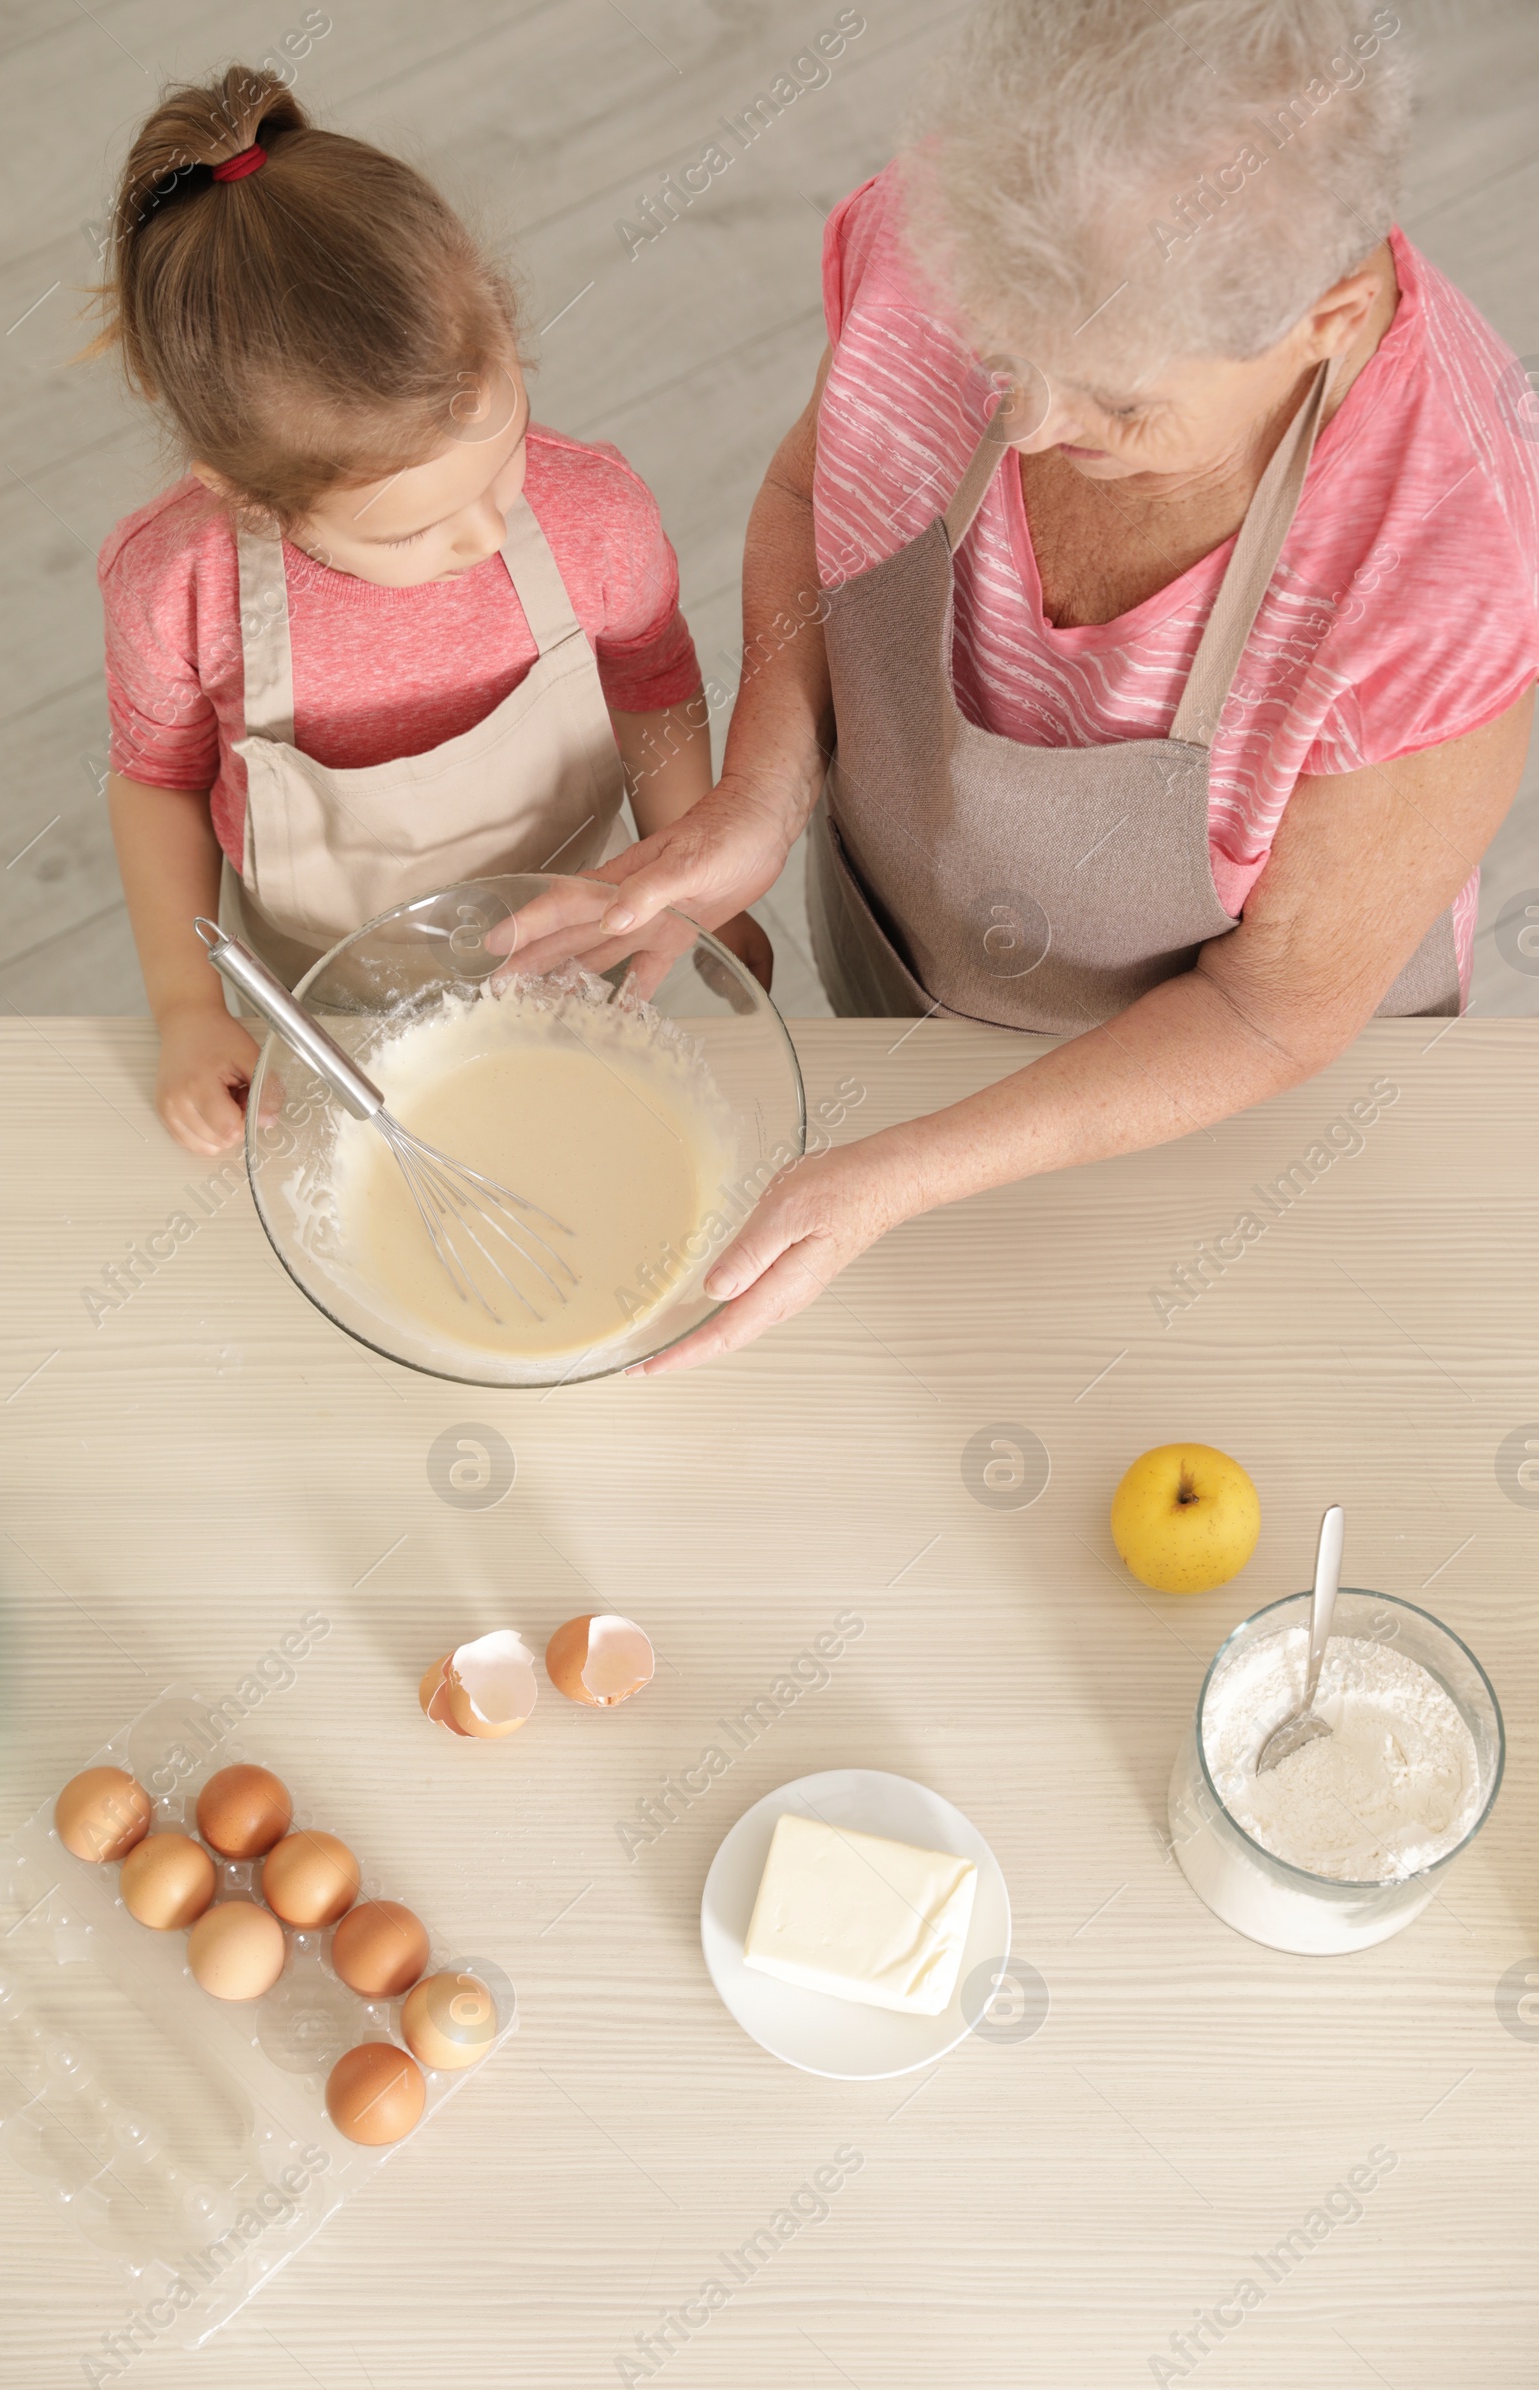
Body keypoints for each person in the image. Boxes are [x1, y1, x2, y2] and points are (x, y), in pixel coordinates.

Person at [503, 0, 1539, 1377]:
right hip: (913, 964)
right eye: (1004, 357)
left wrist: (895, 1176)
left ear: (1325, 318)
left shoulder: (1451, 563)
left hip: (1226, 1116)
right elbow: (819, 489)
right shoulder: (985, 229)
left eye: (1116, 401)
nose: (1036, 423)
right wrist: (758, 791)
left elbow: (1268, 1013)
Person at [92, 66, 769, 1157]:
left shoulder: (592, 516)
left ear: (499, 326)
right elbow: (158, 786)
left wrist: (691, 872)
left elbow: (651, 683)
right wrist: (185, 1009)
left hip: (573, 945)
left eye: (499, 470)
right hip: (328, 992)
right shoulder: (180, 585)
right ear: (250, 493)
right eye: (413, 530)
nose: (488, 537)